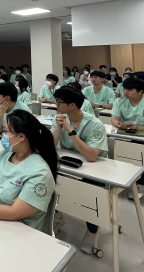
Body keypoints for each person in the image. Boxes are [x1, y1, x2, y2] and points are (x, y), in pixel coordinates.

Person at [52, 86, 108, 253]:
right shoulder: (61, 118)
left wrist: (69, 130)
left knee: (90, 192)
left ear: (72, 105)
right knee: (47, 178)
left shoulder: (95, 124)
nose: (56, 105)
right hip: (69, 163)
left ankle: (92, 230)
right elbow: (52, 145)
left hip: (94, 168)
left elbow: (91, 156)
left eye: (59, 102)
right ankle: (55, 215)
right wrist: (58, 128)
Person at [112, 77, 144, 198]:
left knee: (139, 156)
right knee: (113, 150)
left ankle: (139, 183)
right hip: (125, 135)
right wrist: (118, 124)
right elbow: (114, 118)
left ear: (140, 92)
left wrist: (138, 128)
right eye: (125, 89)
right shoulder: (119, 101)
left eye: (130, 90)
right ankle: (120, 179)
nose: (126, 92)